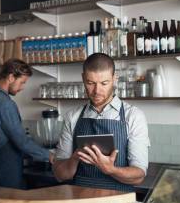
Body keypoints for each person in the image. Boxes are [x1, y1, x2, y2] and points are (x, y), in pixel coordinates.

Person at [53, 53, 149, 192]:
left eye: (104, 83)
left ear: (114, 79)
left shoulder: (133, 116)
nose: (97, 91)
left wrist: (111, 170)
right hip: (80, 202)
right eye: (90, 83)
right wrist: (73, 159)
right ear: (83, 79)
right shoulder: (73, 117)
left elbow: (139, 176)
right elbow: (59, 175)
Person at [0, 59, 48, 189]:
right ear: (11, 77)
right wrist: (49, 156)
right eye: (22, 82)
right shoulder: (5, 104)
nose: (22, 87)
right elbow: (21, 141)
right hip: (7, 168)